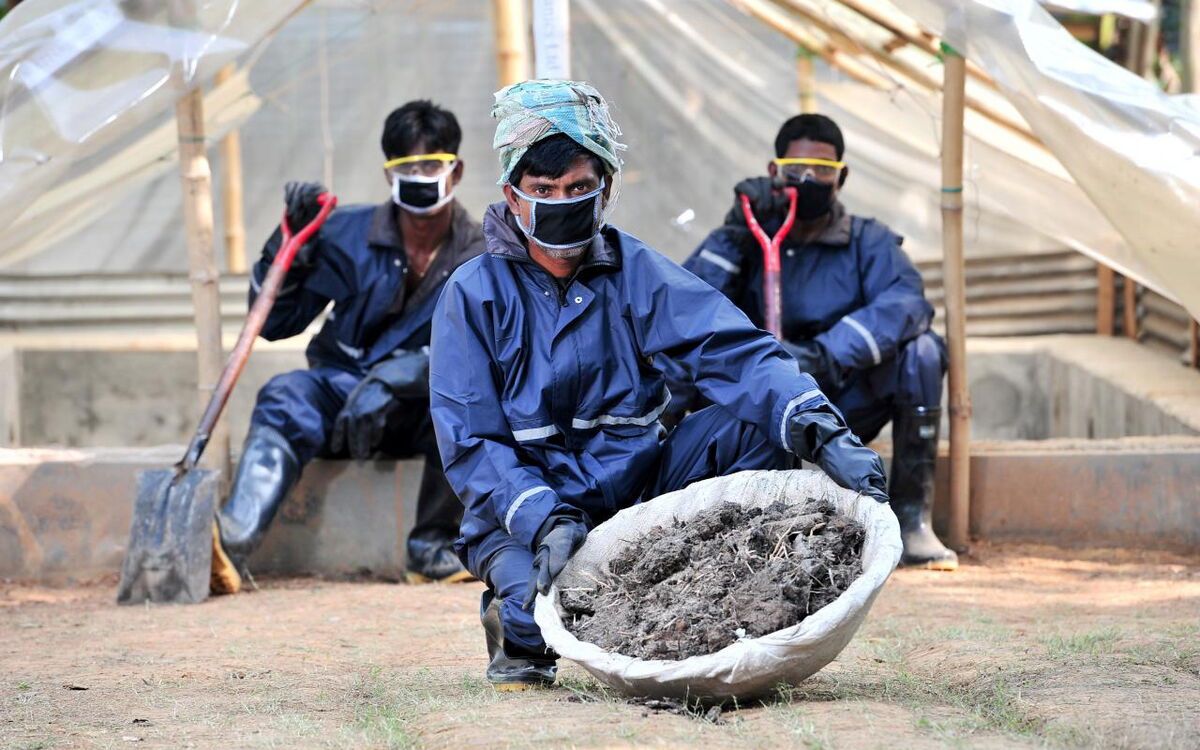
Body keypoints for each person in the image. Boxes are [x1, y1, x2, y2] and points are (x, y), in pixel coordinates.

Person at [429, 80, 890, 691]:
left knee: (751, 423)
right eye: (542, 190)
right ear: (513, 198)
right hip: (527, 514)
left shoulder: (637, 270)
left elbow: (734, 351)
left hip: (639, 491)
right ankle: (511, 622)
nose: (560, 202)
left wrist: (821, 430)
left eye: (577, 188)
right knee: (540, 620)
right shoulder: (472, 293)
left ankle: (725, 601)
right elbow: (472, 442)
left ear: (606, 190)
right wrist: (542, 518)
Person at [210, 100, 485, 594]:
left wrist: (405, 374)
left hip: (425, 408)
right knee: (287, 394)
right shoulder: (347, 234)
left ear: (456, 169)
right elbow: (272, 324)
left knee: (473, 405)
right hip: (342, 396)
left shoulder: (485, 252)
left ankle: (434, 548)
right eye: (407, 167)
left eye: (432, 164)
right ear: (388, 175)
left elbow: (492, 354)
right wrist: (285, 247)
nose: (420, 176)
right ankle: (233, 540)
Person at [682, 113, 956, 571]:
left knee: (924, 350)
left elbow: (907, 303)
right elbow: (687, 308)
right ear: (773, 172)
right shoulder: (745, 238)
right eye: (795, 169)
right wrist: (734, 233)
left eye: (822, 170)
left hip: (844, 399)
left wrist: (826, 355)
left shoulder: (867, 241)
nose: (808, 179)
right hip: (763, 407)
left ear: (841, 177)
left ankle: (911, 521)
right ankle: (749, 530)